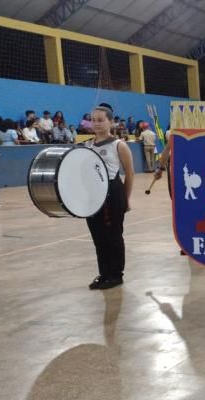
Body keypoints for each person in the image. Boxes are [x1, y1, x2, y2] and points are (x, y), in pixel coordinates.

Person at [85, 103, 135, 291]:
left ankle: (116, 274)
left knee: (113, 236)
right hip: (92, 195)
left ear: (110, 122)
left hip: (113, 194)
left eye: (100, 120)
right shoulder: (86, 145)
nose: (96, 124)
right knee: (98, 236)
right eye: (93, 120)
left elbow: (129, 173)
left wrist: (126, 199)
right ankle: (104, 273)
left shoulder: (118, 145)